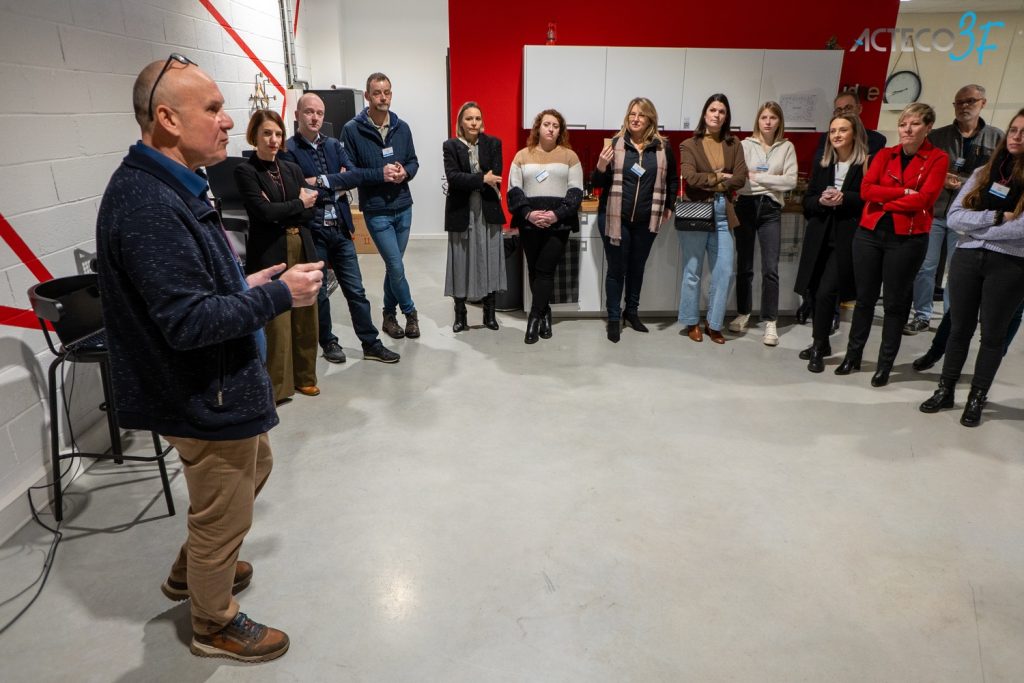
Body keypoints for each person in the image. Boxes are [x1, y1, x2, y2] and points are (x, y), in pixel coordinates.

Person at [96, 56, 322, 661]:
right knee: (225, 505)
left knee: (253, 468)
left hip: (217, 383)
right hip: (201, 390)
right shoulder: (148, 203)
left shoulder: (171, 184)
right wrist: (278, 296)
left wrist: (241, 286)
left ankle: (193, 568)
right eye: (214, 109)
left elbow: (186, 292)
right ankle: (212, 621)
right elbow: (187, 323)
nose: (228, 121)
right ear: (167, 119)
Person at [920, 109, 1024, 427]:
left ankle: (977, 397)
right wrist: (995, 217)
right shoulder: (983, 173)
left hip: (1009, 265)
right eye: (1014, 130)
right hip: (967, 260)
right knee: (959, 329)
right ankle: (945, 389)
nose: (1017, 136)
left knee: (992, 336)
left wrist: (977, 230)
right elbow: (954, 217)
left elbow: (1021, 229)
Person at [280, 92, 400, 364]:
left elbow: (354, 176)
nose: (315, 118)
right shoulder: (288, 151)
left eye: (319, 113)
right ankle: (328, 342)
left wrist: (320, 180)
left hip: (341, 229)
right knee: (320, 292)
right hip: (314, 230)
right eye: (309, 112)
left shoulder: (334, 145)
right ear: (297, 115)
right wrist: (337, 182)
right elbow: (298, 188)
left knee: (356, 290)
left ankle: (370, 343)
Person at [835, 103, 948, 386]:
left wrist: (885, 200)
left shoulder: (937, 158)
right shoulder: (885, 155)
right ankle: (853, 355)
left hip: (907, 239)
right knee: (864, 300)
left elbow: (924, 199)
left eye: (914, 124)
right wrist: (902, 193)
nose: (907, 129)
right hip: (869, 233)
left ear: (928, 127)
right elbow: (866, 190)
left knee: (895, 305)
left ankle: (885, 365)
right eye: (903, 124)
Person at [235, 110, 321, 403]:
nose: (273, 139)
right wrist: (298, 202)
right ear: (255, 136)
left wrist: (284, 208)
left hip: (301, 243)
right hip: (271, 250)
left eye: (278, 134)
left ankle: (305, 377)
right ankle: (278, 387)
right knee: (278, 321)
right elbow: (263, 213)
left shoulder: (291, 168)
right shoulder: (246, 171)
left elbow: (309, 212)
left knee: (306, 313)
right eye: (267, 133)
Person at [904, 84, 1004, 336]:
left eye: (970, 101)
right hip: (935, 211)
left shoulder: (996, 138)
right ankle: (922, 315)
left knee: (957, 272)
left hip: (968, 216)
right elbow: (921, 169)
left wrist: (967, 183)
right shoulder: (938, 136)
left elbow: (998, 176)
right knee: (925, 266)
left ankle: (951, 321)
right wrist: (941, 179)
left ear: (983, 103)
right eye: (959, 102)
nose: (964, 106)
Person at [341, 72, 421, 340]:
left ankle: (388, 315)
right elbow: (350, 173)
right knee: (396, 266)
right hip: (376, 211)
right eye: (377, 93)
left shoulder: (402, 127)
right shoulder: (352, 130)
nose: (383, 97)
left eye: (387, 92)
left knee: (392, 266)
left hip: (403, 207)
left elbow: (413, 161)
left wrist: (405, 172)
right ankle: (410, 312)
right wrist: (380, 174)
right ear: (367, 96)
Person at [591, 97, 678, 343]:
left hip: (646, 220)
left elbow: (672, 178)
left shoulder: (663, 147)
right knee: (616, 270)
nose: (636, 119)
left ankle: (632, 313)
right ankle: (614, 318)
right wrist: (601, 165)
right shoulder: (615, 144)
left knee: (636, 268)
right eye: (632, 114)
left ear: (650, 119)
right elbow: (597, 184)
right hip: (614, 217)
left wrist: (669, 205)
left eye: (641, 115)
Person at [794, 114, 869, 372]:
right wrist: (821, 201)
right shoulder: (824, 164)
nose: (837, 135)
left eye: (843, 130)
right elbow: (808, 200)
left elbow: (868, 198)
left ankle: (817, 346)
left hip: (846, 237)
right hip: (819, 235)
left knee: (827, 291)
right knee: (814, 290)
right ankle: (823, 342)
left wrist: (843, 198)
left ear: (854, 133)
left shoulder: (865, 164)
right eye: (833, 130)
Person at [507, 109, 584, 344]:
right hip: (529, 224)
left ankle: (533, 319)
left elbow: (575, 192)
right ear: (538, 128)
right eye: (546, 124)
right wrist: (528, 214)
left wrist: (556, 215)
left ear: (561, 131)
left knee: (545, 270)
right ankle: (545, 313)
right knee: (534, 270)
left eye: (556, 126)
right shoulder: (522, 156)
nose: (551, 129)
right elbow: (514, 190)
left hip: (558, 225)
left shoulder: (570, 156)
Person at [677, 93, 748, 344]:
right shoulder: (689, 144)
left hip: (722, 212)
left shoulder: (734, 144)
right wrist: (720, 177)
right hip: (696, 211)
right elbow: (689, 177)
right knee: (692, 271)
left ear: (726, 116)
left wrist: (713, 179)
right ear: (705, 114)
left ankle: (714, 323)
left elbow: (740, 178)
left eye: (722, 111)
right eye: (713, 110)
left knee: (724, 271)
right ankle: (691, 321)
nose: (717, 115)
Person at [732, 101, 797, 346]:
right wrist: (773, 179)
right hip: (745, 206)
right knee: (745, 265)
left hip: (771, 209)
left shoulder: (787, 147)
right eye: (764, 117)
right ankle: (743, 313)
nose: (768, 122)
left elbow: (790, 181)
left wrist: (758, 177)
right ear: (757, 120)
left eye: (773, 117)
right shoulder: (744, 145)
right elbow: (741, 180)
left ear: (779, 121)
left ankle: (770, 321)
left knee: (770, 268)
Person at [442, 101, 507, 332]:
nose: (474, 123)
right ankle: (460, 315)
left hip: (487, 210)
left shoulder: (493, 143)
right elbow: (453, 178)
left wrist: (472, 179)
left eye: (477, 118)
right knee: (460, 261)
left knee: (490, 260)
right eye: (469, 118)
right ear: (461, 122)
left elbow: (495, 174)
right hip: (461, 211)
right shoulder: (450, 146)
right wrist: (481, 179)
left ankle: (490, 314)